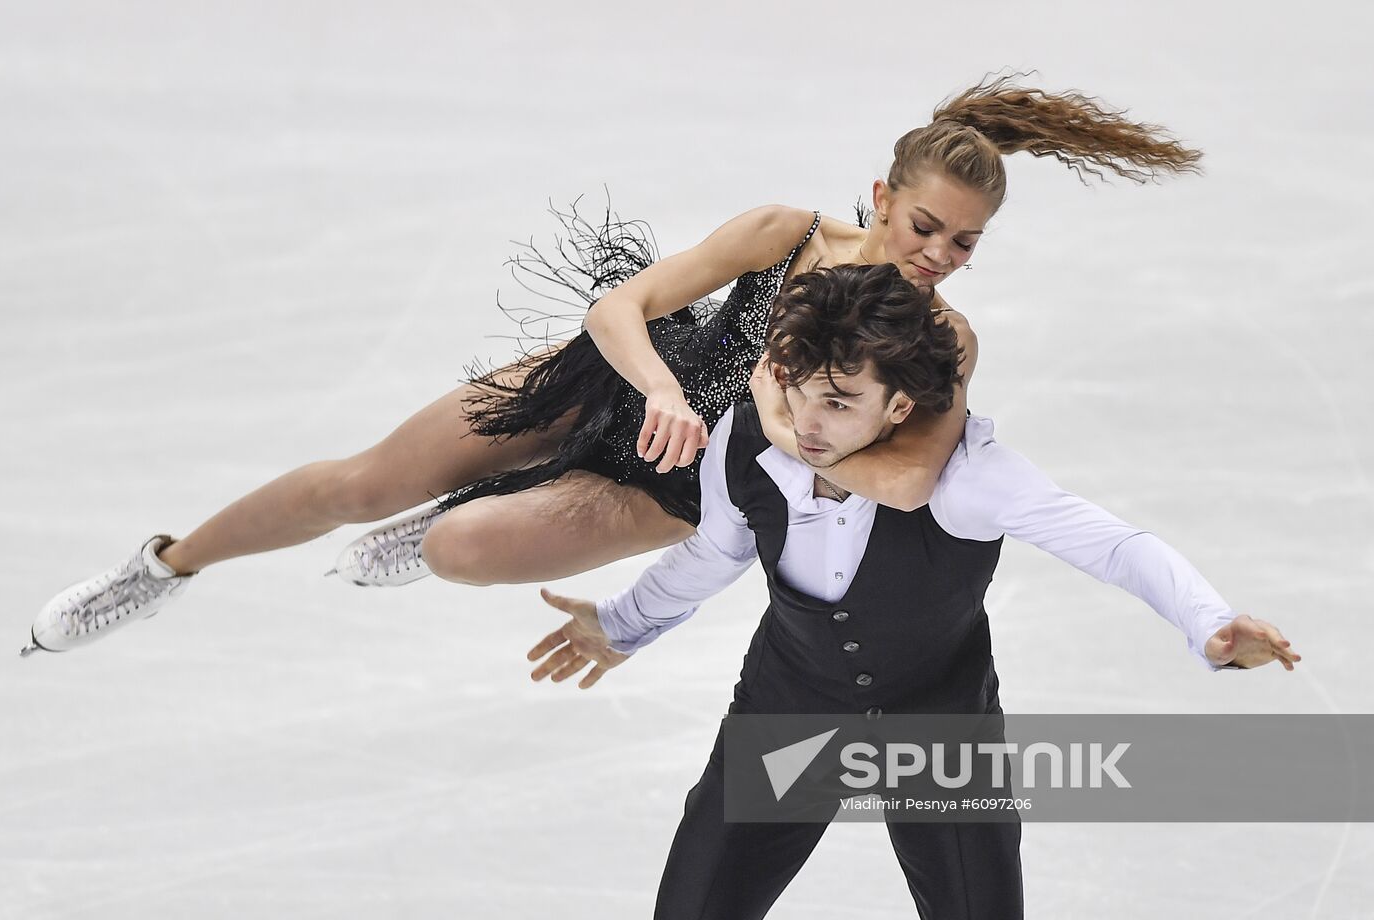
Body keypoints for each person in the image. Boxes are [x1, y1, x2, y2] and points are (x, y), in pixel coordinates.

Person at [23, 75, 1204, 655]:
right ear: (883, 196)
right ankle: (163, 563)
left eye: (962, 243)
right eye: (922, 226)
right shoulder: (784, 231)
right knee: (360, 482)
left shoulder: (939, 347)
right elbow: (621, 304)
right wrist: (652, 385)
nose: (938, 256)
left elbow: (886, 479)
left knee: (452, 543)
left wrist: (774, 431)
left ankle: (462, 520)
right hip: (616, 383)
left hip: (673, 484)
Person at [526, 264, 1299, 918]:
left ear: (899, 406)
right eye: (796, 390)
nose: (804, 421)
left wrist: (1210, 622)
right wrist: (623, 623)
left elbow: (1113, 546)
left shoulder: (964, 479)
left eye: (839, 403)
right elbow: (714, 554)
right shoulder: (746, 439)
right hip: (788, 712)